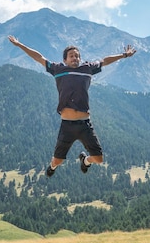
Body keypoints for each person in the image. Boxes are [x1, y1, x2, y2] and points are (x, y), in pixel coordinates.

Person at [8, 35, 136, 177]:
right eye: (71, 56)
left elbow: (105, 61)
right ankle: (52, 167)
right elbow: (39, 57)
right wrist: (19, 45)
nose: (75, 58)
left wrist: (124, 55)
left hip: (85, 124)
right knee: (57, 161)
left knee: (98, 159)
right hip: (67, 126)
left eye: (77, 56)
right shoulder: (57, 69)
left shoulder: (87, 68)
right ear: (65, 59)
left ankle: (85, 161)